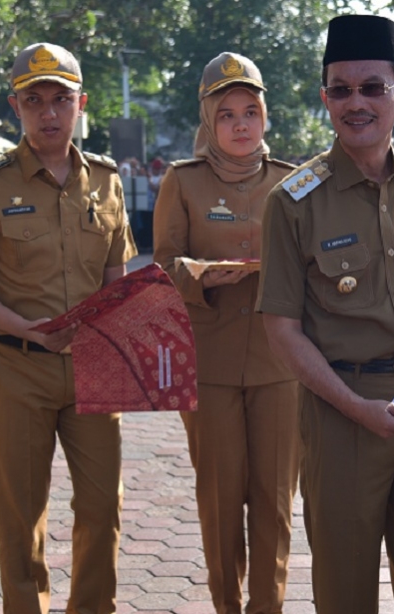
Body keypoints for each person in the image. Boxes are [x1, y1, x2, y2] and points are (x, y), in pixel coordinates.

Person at [256, 14, 394, 614]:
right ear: (325, 97)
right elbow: (282, 329)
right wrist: (356, 407)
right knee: (345, 592)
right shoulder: (293, 202)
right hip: (343, 410)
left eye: (372, 87)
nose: (356, 103)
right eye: (341, 89)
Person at [0, 42, 137, 613]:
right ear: (15, 106)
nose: (49, 112)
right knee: (21, 513)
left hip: (93, 368)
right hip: (16, 366)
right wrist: (28, 328)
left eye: (61, 100)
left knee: (103, 507)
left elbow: (117, 278)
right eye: (34, 100)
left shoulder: (105, 179)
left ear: (81, 104)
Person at [152, 52, 300, 614]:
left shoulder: (292, 182)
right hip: (208, 363)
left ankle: (268, 606)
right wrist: (200, 274)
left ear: (265, 116)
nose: (241, 125)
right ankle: (226, 605)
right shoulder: (183, 181)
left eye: (250, 112)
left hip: (279, 361)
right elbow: (162, 266)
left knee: (275, 498)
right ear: (208, 121)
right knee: (219, 497)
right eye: (227, 115)